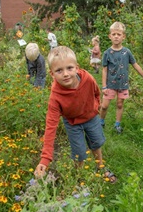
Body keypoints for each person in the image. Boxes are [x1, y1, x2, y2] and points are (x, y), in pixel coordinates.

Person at [34, 46, 117, 183]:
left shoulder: (88, 79)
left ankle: (100, 167)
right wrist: (45, 159)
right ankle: (79, 176)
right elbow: (50, 127)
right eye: (59, 70)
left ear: (77, 67)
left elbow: (96, 92)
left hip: (91, 117)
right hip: (72, 122)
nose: (65, 74)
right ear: (52, 74)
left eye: (69, 68)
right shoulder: (55, 97)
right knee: (79, 152)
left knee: (96, 143)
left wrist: (96, 106)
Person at [100, 22, 143, 134]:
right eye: (114, 34)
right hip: (110, 84)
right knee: (104, 106)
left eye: (118, 34)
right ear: (109, 36)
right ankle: (100, 122)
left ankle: (117, 125)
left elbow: (135, 65)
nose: (116, 36)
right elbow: (104, 70)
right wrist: (104, 86)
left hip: (123, 84)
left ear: (123, 36)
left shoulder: (127, 52)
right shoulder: (107, 53)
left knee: (120, 104)